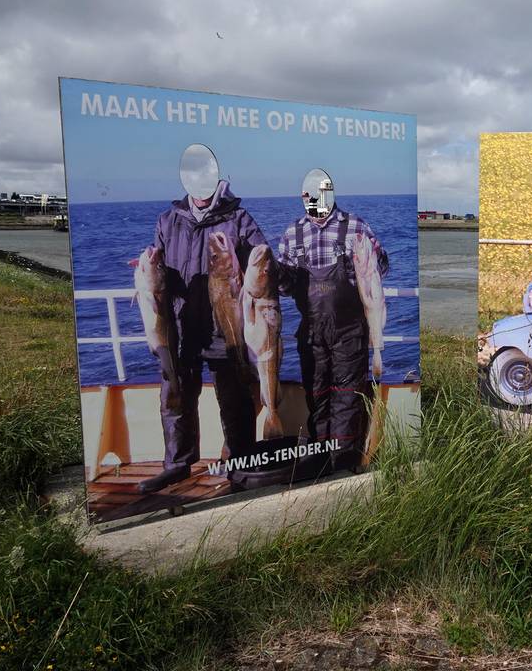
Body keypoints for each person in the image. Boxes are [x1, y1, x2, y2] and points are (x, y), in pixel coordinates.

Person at [138, 179, 269, 494]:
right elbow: (163, 270)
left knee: (235, 398)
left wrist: (257, 260)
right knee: (175, 397)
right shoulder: (168, 220)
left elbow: (263, 263)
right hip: (181, 328)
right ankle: (177, 465)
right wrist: (150, 269)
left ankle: (241, 464)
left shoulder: (238, 218)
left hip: (224, 327)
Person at [277, 177, 389, 462]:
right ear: (302, 196)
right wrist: (275, 274)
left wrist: (376, 255)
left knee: (348, 395)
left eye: (321, 193)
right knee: (316, 394)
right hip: (311, 331)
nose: (315, 199)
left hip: (350, 330)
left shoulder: (356, 227)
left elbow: (382, 268)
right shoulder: (292, 233)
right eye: (309, 194)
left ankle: (343, 460)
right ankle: (320, 457)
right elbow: (286, 287)